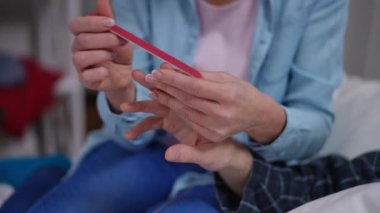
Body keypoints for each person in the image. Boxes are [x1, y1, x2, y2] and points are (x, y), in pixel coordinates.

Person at [28, 0, 348, 212]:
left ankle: (49, 175)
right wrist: (120, 89)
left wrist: (259, 116)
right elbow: (128, 121)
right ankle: (50, 176)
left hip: (238, 169)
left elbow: (315, 121)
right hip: (150, 149)